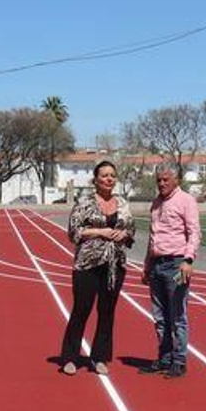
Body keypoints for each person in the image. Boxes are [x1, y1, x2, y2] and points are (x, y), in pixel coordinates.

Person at [59, 160, 135, 375]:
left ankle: (99, 357)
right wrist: (98, 232)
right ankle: (69, 356)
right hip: (88, 264)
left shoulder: (123, 204)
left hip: (114, 266)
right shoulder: (84, 202)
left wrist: (124, 234)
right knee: (81, 310)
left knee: (107, 312)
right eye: (104, 175)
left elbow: (131, 231)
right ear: (95, 180)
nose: (109, 179)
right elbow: (73, 233)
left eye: (112, 175)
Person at [140, 166, 201, 378]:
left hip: (176, 264)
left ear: (176, 180)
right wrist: (147, 266)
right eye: (159, 180)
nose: (162, 183)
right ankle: (164, 358)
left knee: (177, 316)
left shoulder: (186, 201)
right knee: (159, 317)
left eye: (166, 179)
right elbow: (152, 238)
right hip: (157, 264)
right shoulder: (156, 203)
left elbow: (194, 232)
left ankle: (179, 360)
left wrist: (188, 259)